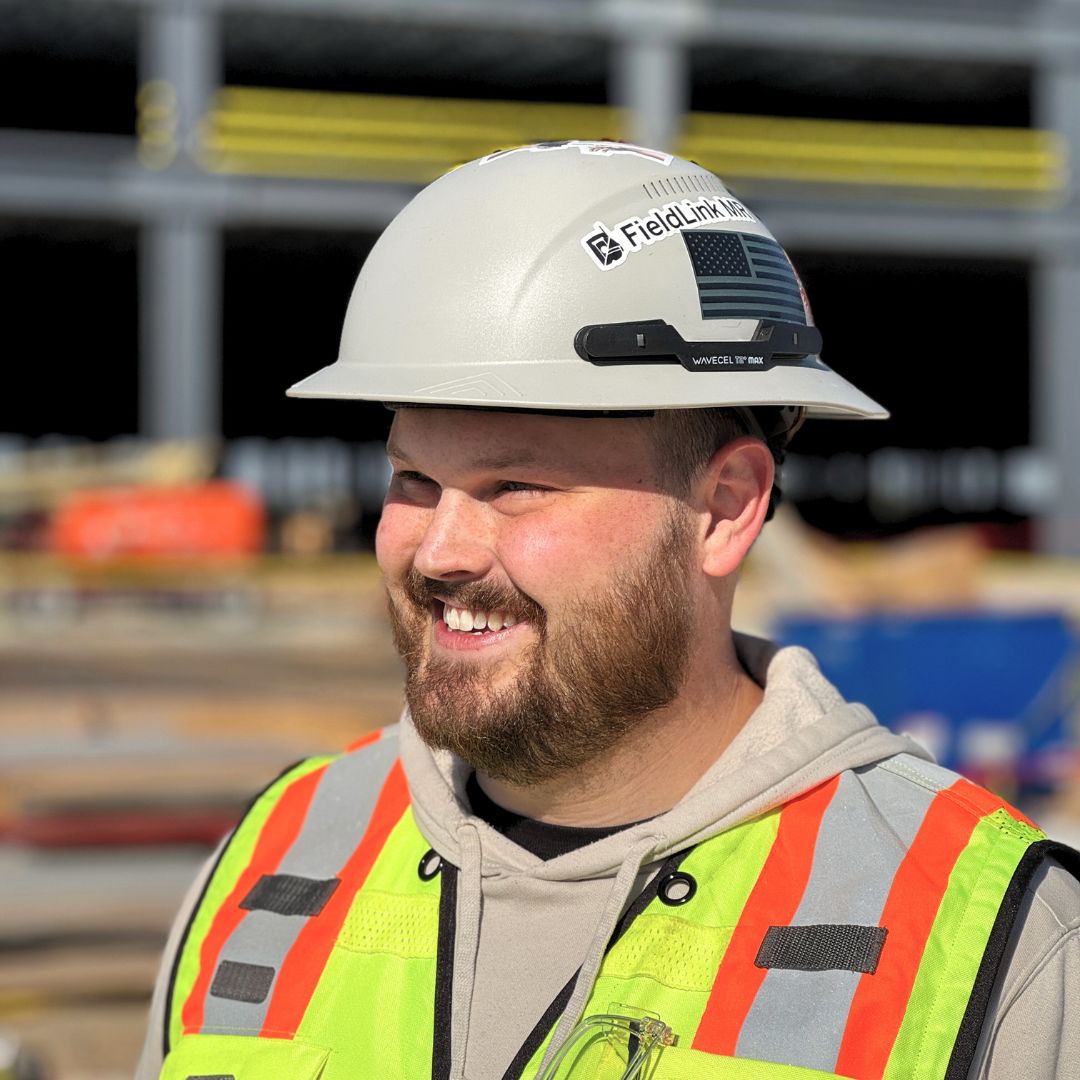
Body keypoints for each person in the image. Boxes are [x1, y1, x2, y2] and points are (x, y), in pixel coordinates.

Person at [137, 142, 1080, 1080]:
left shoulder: (995, 937)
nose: (438, 551)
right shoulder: (276, 859)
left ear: (723, 510)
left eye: (517, 485)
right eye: (413, 477)